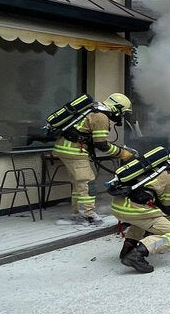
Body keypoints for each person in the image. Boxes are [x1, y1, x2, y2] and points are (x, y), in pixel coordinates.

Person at [52, 92, 134, 225]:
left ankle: (77, 212)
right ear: (117, 108)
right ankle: (88, 215)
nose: (121, 116)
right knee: (87, 182)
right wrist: (122, 153)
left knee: (78, 183)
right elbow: (101, 144)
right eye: (122, 112)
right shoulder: (101, 117)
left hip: (65, 149)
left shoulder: (94, 110)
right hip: (73, 151)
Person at [114, 144, 170, 273]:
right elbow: (168, 209)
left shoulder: (155, 165)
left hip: (119, 205)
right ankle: (138, 254)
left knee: (144, 220)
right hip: (134, 210)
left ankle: (128, 249)